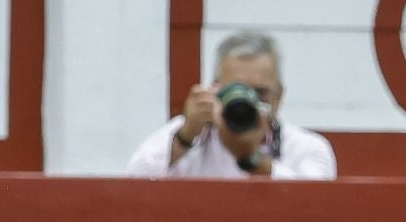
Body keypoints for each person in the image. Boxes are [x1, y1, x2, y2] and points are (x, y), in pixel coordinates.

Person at [126, 31, 337, 180]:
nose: (249, 103)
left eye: (260, 93)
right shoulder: (187, 134)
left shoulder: (306, 147)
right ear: (215, 90)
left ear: (279, 95)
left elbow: (313, 204)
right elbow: (133, 187)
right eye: (238, 91)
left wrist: (252, 160)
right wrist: (184, 139)